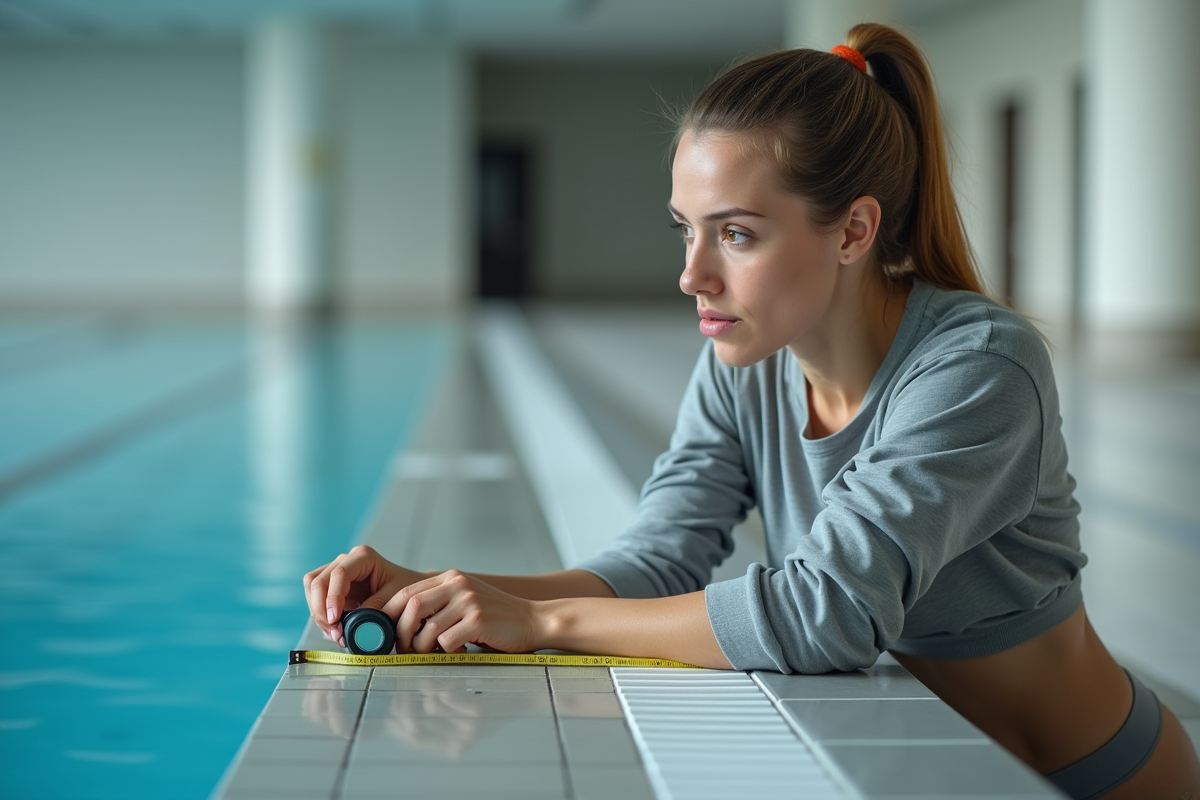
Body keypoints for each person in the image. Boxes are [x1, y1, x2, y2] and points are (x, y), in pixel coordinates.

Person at [303, 23, 1200, 799]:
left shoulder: (978, 368)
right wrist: (448, 593)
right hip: (952, 772)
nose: (692, 275)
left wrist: (540, 622)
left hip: (1098, 780)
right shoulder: (748, 360)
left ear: (852, 230)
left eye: (735, 233)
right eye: (684, 229)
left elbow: (827, 616)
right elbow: (660, 559)